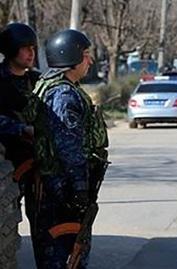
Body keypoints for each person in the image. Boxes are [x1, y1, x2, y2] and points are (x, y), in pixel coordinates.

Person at [26, 29, 109, 268]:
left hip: (56, 187)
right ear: (70, 57)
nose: (90, 60)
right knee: (65, 254)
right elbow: (69, 149)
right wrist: (80, 190)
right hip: (60, 189)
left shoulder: (54, 86)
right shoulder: (63, 94)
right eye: (85, 55)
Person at [0, 22, 39, 192]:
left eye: (33, 47)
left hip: (35, 157)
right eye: (25, 48)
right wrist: (21, 129)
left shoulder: (37, 81)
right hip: (6, 155)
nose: (31, 53)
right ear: (12, 49)